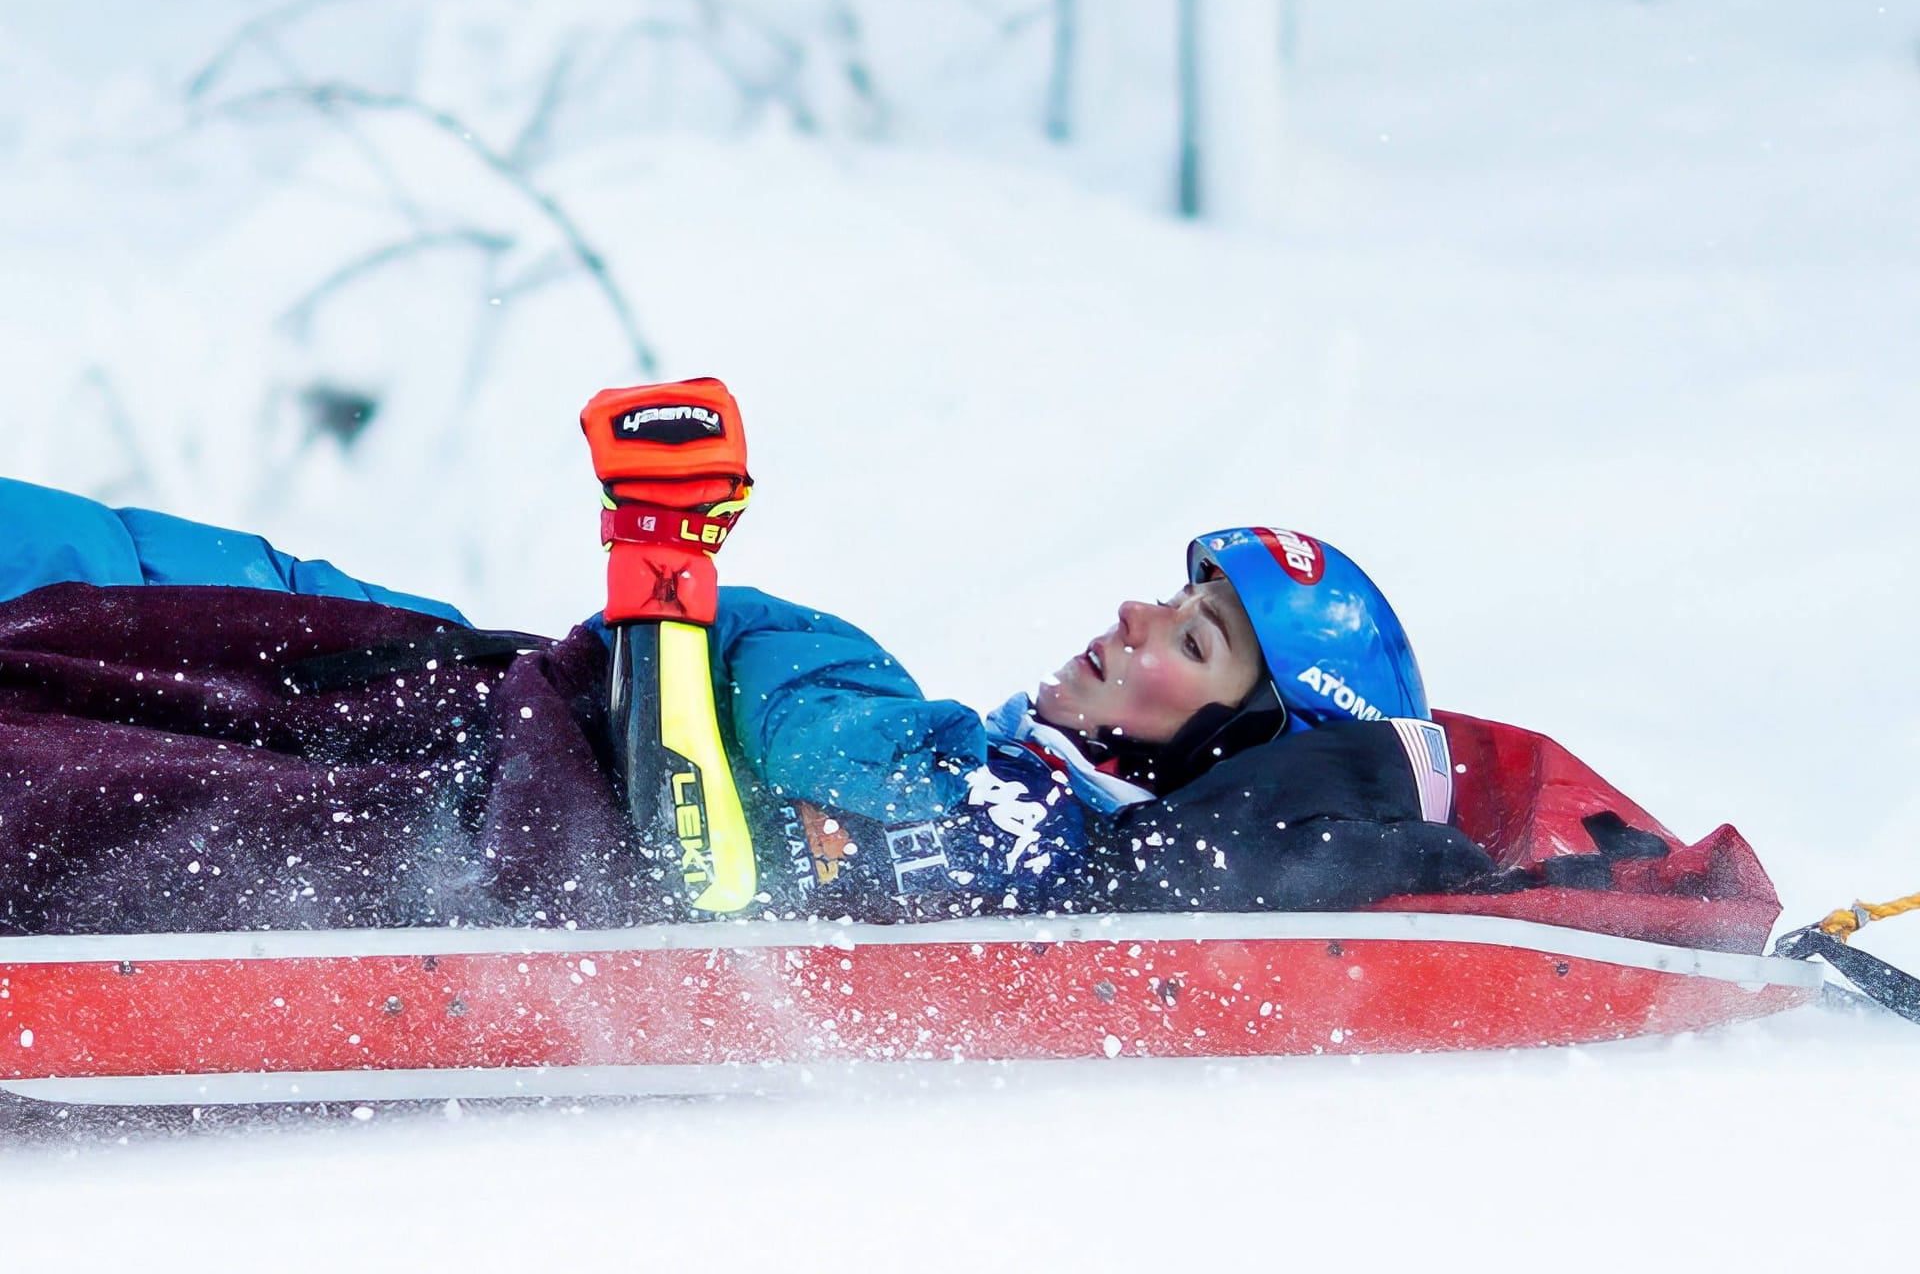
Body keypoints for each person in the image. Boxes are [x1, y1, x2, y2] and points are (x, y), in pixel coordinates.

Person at [0, 474, 1490, 936]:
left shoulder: (1028, 831)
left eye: (1201, 639)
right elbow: (779, 672)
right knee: (136, 611)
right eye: (1176, 595)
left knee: (87, 741)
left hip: (466, 809)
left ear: (1229, 749)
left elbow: (791, 694)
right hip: (498, 706)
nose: (1136, 618)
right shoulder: (961, 754)